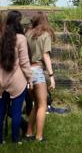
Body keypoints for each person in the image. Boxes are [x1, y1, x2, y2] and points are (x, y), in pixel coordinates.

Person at [0, 11, 32, 144]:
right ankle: (15, 140)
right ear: (17, 22)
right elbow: (24, 63)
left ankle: (1, 140)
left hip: (0, 81)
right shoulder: (21, 38)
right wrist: (30, 79)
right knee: (17, 112)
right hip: (17, 82)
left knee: (0, 112)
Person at [25, 11, 55, 142]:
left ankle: (29, 133)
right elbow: (45, 56)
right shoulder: (45, 34)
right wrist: (51, 76)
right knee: (43, 105)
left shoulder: (27, 33)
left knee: (36, 104)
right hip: (37, 70)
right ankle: (39, 136)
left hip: (26, 71)